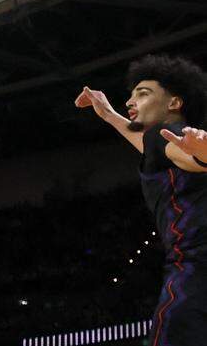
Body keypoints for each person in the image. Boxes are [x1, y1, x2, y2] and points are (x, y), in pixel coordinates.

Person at [75, 54, 207, 346]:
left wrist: (202, 152)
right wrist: (108, 113)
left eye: (143, 93)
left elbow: (191, 156)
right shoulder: (159, 145)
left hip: (195, 275)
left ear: (174, 103)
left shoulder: (170, 139)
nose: (130, 102)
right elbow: (150, 146)